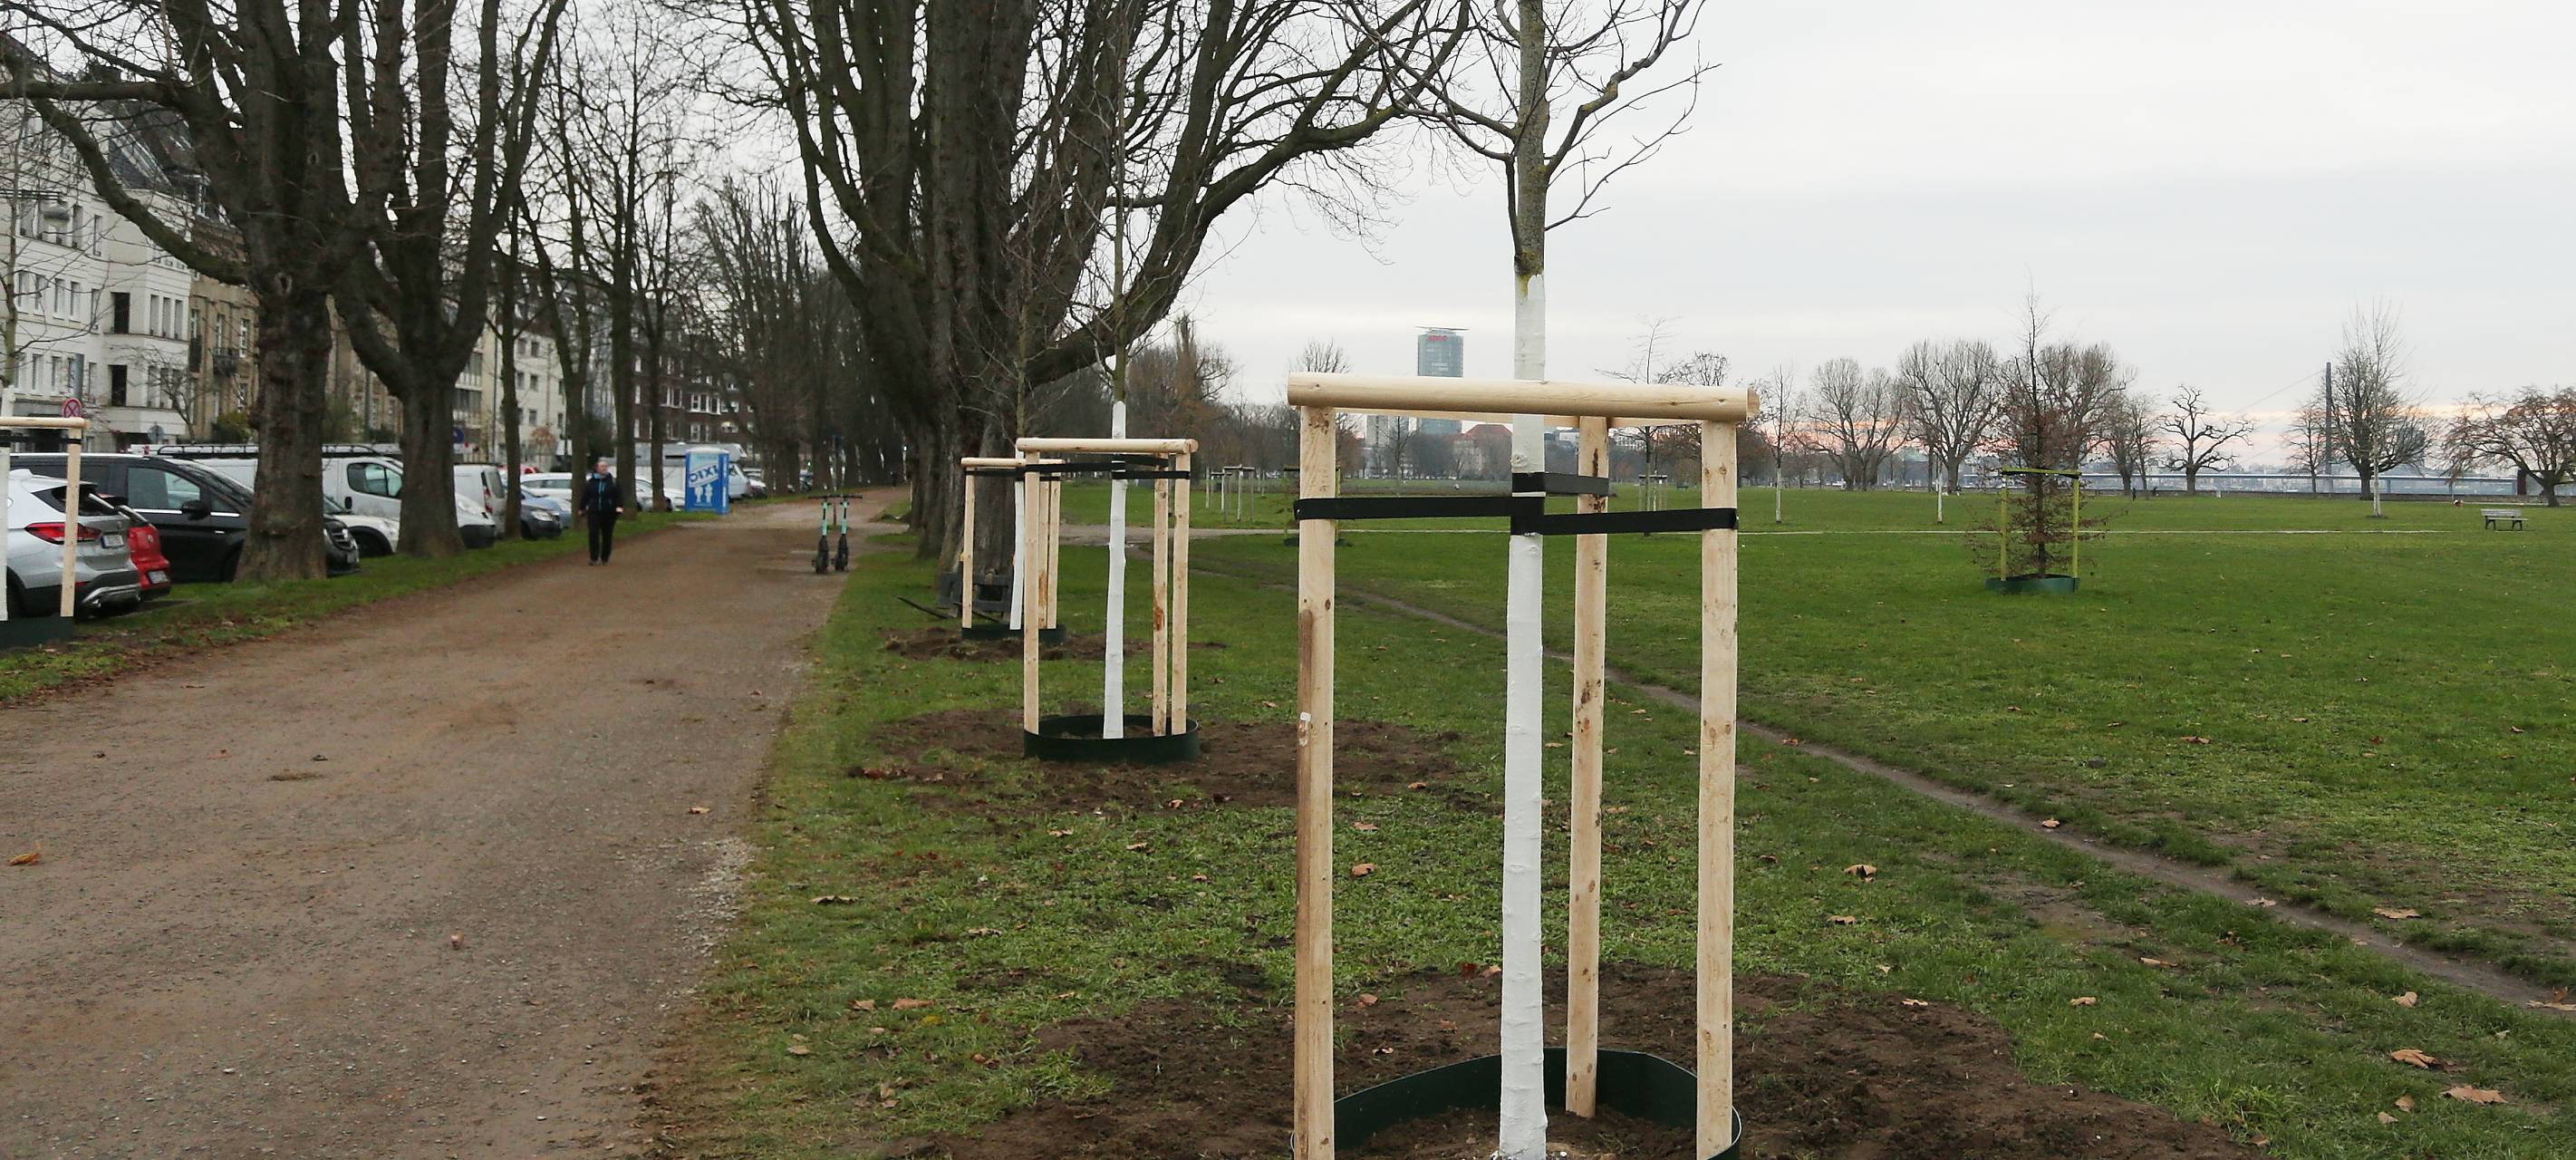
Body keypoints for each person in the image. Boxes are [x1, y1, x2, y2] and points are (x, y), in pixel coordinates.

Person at [581, 458, 625, 565]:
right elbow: (585, 496)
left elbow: (619, 495)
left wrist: (619, 507)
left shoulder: (613, 482)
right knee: (593, 533)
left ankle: (605, 557)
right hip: (594, 511)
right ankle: (593, 558)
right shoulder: (591, 482)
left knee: (607, 535)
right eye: (602, 466)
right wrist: (581, 508)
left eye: (606, 466)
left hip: (609, 512)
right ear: (597, 468)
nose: (604, 468)